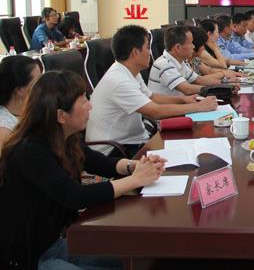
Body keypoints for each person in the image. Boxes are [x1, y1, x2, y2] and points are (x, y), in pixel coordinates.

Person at [0, 70, 166, 269]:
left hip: (60, 240)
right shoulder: (29, 151)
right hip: (31, 256)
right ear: (61, 115)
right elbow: (75, 196)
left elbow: (102, 164)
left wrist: (135, 166)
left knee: (138, 257)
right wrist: (136, 180)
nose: (90, 106)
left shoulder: (66, 137)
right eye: (84, 101)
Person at [86, 25, 218, 157]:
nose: (150, 52)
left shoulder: (130, 71)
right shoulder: (119, 80)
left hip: (133, 140)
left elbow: (151, 97)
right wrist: (199, 107)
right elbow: (155, 111)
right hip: (114, 150)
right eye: (147, 47)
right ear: (135, 52)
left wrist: (183, 100)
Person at [148, 25, 230, 96]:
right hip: (169, 107)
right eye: (191, 43)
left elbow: (199, 80)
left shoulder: (182, 61)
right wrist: (222, 83)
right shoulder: (165, 64)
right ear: (178, 48)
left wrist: (225, 83)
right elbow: (187, 89)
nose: (193, 46)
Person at [0, 56, 41, 149]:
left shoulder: (33, 108)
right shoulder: (4, 130)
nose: (42, 85)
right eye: (37, 82)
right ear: (19, 90)